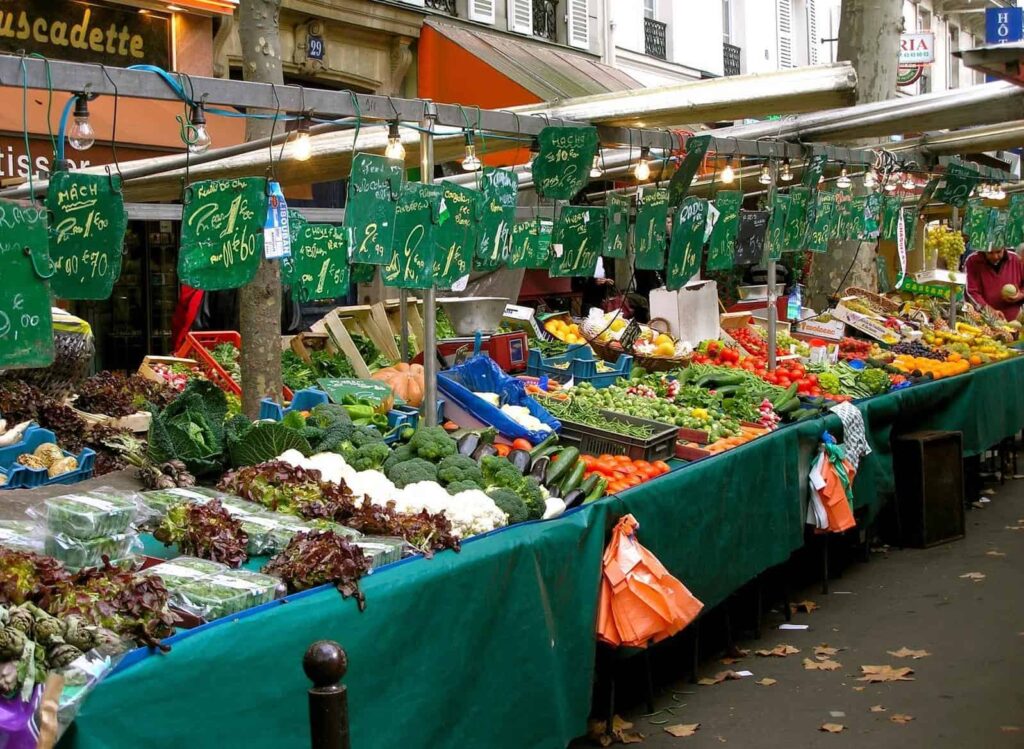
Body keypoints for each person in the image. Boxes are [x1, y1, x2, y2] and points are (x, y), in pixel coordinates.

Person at [964, 245, 1024, 321]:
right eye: (990, 253)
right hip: (984, 320)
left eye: (999, 252)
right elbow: (972, 291)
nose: (995, 256)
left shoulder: (1016, 259)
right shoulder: (973, 261)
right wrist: (990, 310)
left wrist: (1020, 295)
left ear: (1004, 248)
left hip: (1014, 319)